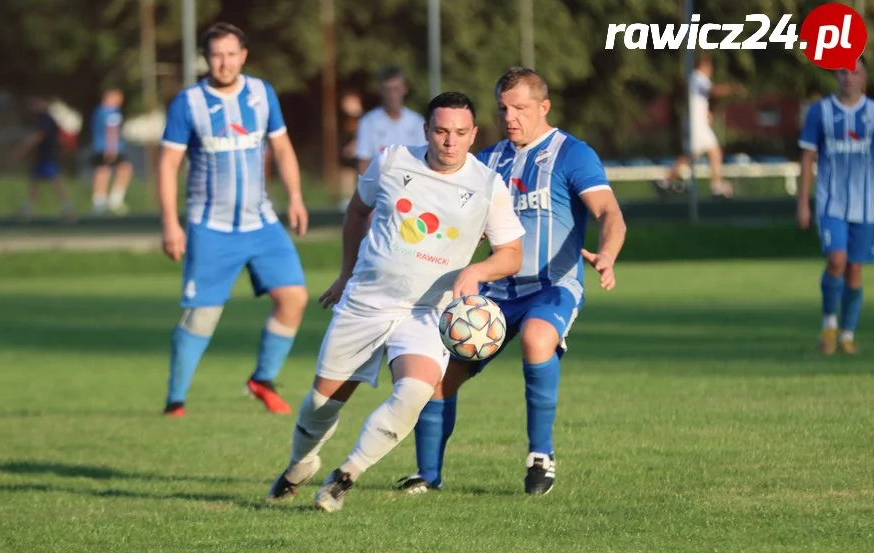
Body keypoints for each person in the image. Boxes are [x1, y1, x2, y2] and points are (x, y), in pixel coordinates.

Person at [266, 92, 525, 512]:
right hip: (366, 303)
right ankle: (298, 465)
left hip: (427, 313)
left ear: (473, 135)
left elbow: (511, 253)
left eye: (460, 133)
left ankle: (345, 476)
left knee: (415, 391)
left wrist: (477, 271)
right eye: (441, 131)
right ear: (425, 130)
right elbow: (355, 213)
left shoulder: (487, 186)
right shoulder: (390, 161)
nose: (449, 141)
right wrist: (346, 274)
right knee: (320, 407)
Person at [401, 67, 627, 496]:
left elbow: (609, 214)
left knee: (537, 339)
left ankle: (540, 456)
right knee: (438, 376)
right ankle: (427, 476)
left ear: (544, 107)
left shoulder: (571, 154)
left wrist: (607, 255)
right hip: (496, 292)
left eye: (520, 108)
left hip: (553, 285)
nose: (511, 117)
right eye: (503, 108)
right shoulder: (486, 161)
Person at [158, 22, 310, 416]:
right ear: (206, 59)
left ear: (243, 55)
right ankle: (176, 400)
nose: (224, 62)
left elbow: (282, 148)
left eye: (231, 54)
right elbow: (168, 164)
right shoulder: (187, 103)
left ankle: (263, 379)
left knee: (294, 297)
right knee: (203, 317)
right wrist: (170, 223)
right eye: (216, 55)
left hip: (261, 223)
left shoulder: (262, 94)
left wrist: (295, 197)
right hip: (211, 227)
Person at [797, 57, 874, 355]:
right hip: (831, 204)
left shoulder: (872, 113)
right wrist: (803, 202)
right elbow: (807, 158)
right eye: (843, 72)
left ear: (864, 77)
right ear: (836, 76)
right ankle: (829, 324)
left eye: (855, 72)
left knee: (855, 271)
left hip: (867, 207)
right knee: (837, 261)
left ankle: (847, 334)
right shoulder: (820, 112)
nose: (849, 78)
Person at [656, 53, 745, 198]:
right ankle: (667, 181)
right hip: (696, 125)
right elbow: (713, 91)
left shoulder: (696, 80)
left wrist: (707, 113)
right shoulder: (698, 78)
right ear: (705, 66)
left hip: (698, 124)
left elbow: (701, 100)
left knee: (708, 153)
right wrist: (733, 88)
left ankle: (667, 182)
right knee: (700, 154)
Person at [354, 66, 427, 176]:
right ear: (380, 90)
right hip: (380, 187)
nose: (392, 95)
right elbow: (364, 162)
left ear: (404, 89)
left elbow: (425, 159)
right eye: (388, 90)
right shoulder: (368, 122)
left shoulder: (417, 122)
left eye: (396, 89)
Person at [15, 96, 75, 222]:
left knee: (56, 182)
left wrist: (23, 148)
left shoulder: (45, 118)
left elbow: (39, 136)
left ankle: (68, 209)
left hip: (49, 156)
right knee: (35, 183)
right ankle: (27, 209)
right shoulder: (43, 118)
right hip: (43, 156)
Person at [90, 88, 132, 215]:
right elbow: (112, 130)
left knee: (102, 172)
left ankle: (98, 203)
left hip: (98, 146)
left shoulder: (98, 111)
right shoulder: (112, 112)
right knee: (125, 169)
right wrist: (112, 147)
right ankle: (115, 200)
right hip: (111, 146)